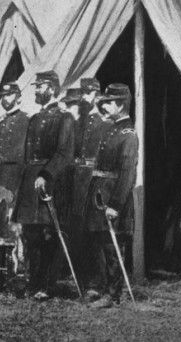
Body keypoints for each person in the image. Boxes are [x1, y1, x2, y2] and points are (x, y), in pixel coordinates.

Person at [11, 71, 75, 301]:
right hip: (30, 183)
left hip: (50, 185)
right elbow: (28, 156)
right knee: (31, 235)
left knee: (49, 236)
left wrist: (46, 175)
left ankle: (47, 285)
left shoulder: (64, 118)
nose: (37, 90)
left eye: (40, 86)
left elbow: (64, 154)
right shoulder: (35, 119)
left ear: (52, 89)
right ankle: (33, 281)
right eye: (36, 87)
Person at [84, 83, 138, 308]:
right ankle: (103, 287)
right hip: (100, 194)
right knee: (100, 243)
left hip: (114, 197)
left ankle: (113, 294)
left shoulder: (128, 134)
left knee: (113, 247)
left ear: (121, 105)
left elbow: (127, 174)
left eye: (109, 103)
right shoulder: (111, 129)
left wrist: (115, 204)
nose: (104, 106)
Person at [66, 80, 113, 298]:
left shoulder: (104, 124)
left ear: (96, 95)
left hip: (94, 183)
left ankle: (97, 283)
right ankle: (82, 281)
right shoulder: (77, 123)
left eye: (89, 93)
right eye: (83, 93)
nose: (85, 97)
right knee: (78, 232)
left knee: (95, 234)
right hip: (77, 182)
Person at [0, 83, 28, 238]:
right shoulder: (2, 124)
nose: (4, 99)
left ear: (18, 97)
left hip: (15, 178)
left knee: (11, 220)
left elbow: (24, 153)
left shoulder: (26, 121)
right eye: (3, 96)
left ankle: (12, 259)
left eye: (9, 95)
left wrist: (4, 158)